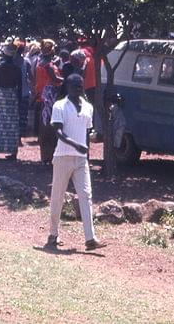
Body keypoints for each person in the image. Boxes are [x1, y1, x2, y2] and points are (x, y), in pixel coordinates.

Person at [46, 74, 106, 251]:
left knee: (86, 195)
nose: (79, 89)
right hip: (63, 156)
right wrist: (76, 145)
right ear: (68, 87)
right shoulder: (60, 106)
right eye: (75, 86)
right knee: (57, 196)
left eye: (80, 86)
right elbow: (58, 132)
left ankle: (90, 238)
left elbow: (87, 133)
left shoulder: (88, 107)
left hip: (81, 159)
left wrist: (89, 144)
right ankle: (53, 233)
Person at [0, 42, 22, 161]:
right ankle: (13, 152)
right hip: (12, 96)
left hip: (1, 95)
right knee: (12, 124)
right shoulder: (17, 68)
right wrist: (19, 100)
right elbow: (20, 86)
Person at [36, 40, 64, 163]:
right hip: (49, 98)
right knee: (49, 127)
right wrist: (68, 78)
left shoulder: (41, 62)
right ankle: (49, 156)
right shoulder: (48, 65)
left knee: (45, 126)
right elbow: (55, 79)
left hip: (44, 96)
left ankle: (46, 156)